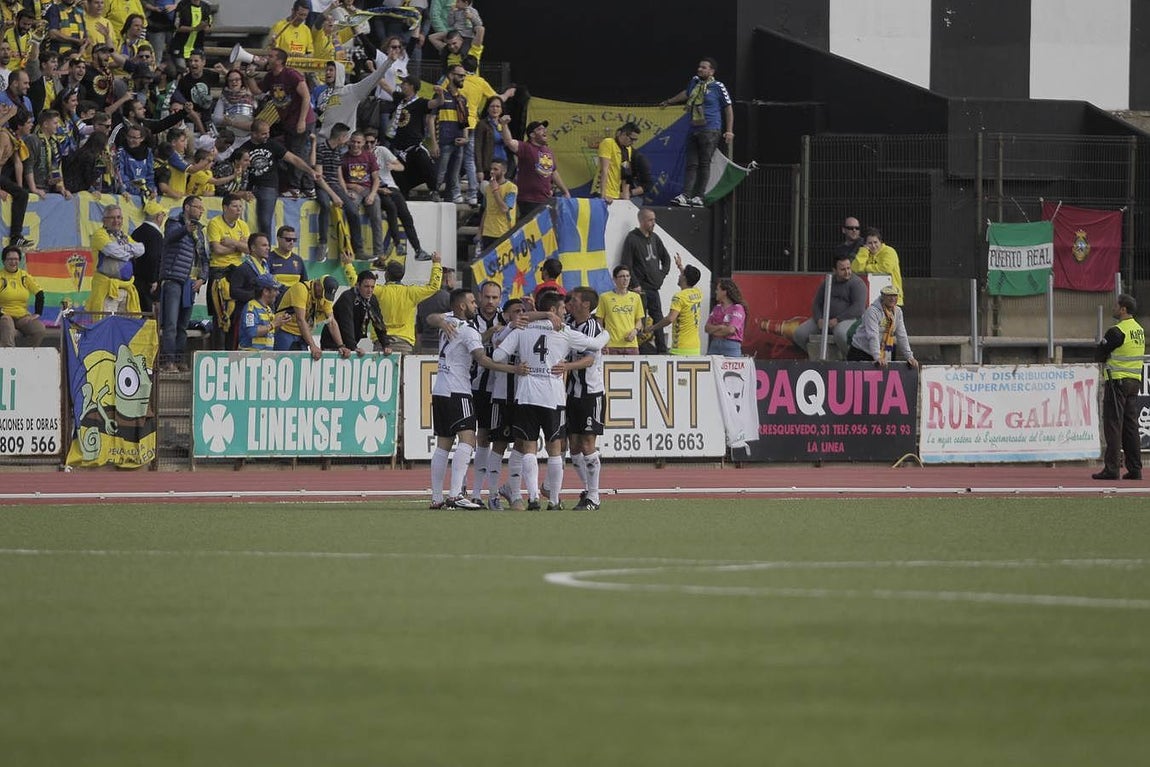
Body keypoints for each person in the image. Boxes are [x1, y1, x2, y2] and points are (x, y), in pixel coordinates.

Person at [492, 290, 601, 510]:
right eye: (561, 308)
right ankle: (553, 500)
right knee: (554, 448)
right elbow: (596, 344)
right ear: (552, 310)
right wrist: (607, 334)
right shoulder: (564, 331)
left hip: (526, 394)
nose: (565, 311)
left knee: (528, 446)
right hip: (553, 396)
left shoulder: (523, 328)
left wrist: (516, 364)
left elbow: (497, 356)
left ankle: (533, 498)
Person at [425, 287, 516, 510]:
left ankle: (437, 497)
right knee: (468, 440)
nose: (476, 305)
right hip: (458, 390)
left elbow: (430, 318)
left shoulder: (449, 321)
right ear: (462, 305)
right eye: (473, 302)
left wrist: (441, 321)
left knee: (443, 444)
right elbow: (482, 359)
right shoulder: (468, 329)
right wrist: (513, 369)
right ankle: (456, 494)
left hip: (441, 389)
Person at [662, 56, 733, 207]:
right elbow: (686, 94)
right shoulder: (694, 82)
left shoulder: (718, 86)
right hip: (694, 128)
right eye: (699, 67)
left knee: (704, 164)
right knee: (691, 163)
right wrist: (669, 101)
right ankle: (686, 195)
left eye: (704, 67)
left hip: (710, 129)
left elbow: (728, 107)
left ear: (712, 71)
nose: (700, 69)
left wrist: (729, 130)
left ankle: (699, 196)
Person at [233, 119, 318, 240]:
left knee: (265, 222)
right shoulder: (245, 147)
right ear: (254, 134)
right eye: (263, 133)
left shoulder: (272, 145)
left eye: (268, 132)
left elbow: (293, 159)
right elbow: (235, 166)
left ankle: (265, 248)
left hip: (268, 187)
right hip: (249, 186)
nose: (267, 135)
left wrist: (310, 171)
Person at [564, 287, 610, 511]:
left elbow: (589, 360)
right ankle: (589, 490)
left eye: (574, 300)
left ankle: (594, 496)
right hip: (572, 393)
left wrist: (565, 366)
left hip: (591, 394)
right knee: (573, 447)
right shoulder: (569, 322)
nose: (569, 303)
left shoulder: (592, 328)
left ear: (586, 305)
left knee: (587, 444)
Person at [1092, 294, 1145, 481]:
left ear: (1123, 309)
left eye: (1116, 306)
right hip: (1134, 381)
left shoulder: (1116, 331)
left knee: (1113, 424)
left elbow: (1099, 354)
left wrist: (1101, 348)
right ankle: (1135, 469)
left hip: (1117, 382)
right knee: (1131, 426)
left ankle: (1112, 468)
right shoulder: (1139, 330)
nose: (1114, 308)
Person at [365, 128, 432, 261]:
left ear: (376, 142)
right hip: (375, 188)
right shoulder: (361, 155)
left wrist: (393, 167)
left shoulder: (382, 151)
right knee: (391, 208)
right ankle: (397, 243)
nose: (369, 145)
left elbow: (401, 166)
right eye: (366, 142)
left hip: (390, 185)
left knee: (406, 216)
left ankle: (418, 249)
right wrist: (379, 190)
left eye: (372, 142)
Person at [158, 194, 208, 372]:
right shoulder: (174, 223)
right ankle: (167, 361)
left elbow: (204, 258)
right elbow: (169, 238)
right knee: (170, 324)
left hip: (191, 283)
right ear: (187, 207)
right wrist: (186, 229)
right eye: (198, 207)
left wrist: (203, 278)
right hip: (173, 279)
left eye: (202, 208)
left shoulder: (199, 232)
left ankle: (179, 359)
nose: (201, 211)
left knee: (182, 326)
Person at [464, 278, 502, 505]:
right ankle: (461, 487)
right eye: (486, 297)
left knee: (485, 437)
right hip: (468, 385)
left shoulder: (505, 318)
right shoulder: (469, 319)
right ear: (479, 297)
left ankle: (478, 492)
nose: (490, 301)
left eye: (494, 297)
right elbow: (472, 342)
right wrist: (492, 332)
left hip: (493, 388)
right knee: (465, 437)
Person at [792, 254, 868, 357]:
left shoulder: (857, 283)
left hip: (849, 319)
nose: (847, 272)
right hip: (825, 319)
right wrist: (819, 319)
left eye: (848, 268)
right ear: (834, 270)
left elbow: (858, 308)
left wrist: (837, 319)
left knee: (840, 334)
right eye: (843, 269)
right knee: (799, 334)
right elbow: (817, 303)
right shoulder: (827, 282)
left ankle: (849, 359)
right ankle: (816, 358)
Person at [619, 206, 671, 354]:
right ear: (641, 221)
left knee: (658, 317)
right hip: (639, 289)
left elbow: (666, 259)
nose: (653, 223)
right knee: (638, 319)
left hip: (654, 287)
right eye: (650, 220)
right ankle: (636, 348)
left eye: (654, 220)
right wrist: (635, 284)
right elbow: (627, 263)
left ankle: (662, 349)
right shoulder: (632, 238)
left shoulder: (655, 238)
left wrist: (661, 275)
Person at [498, 116, 569, 219]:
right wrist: (504, 125)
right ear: (532, 135)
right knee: (529, 227)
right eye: (540, 129)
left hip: (545, 199)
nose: (544, 131)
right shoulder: (526, 147)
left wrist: (565, 191)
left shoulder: (548, 151)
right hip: (528, 199)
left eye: (544, 129)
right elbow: (509, 142)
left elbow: (553, 172)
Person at [205, 192, 250, 348]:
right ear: (225, 207)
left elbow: (249, 249)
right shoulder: (215, 223)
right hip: (219, 271)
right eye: (235, 206)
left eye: (240, 207)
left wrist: (232, 243)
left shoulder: (243, 225)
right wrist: (238, 246)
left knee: (236, 314)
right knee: (220, 315)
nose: (239, 210)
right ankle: (217, 352)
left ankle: (232, 351)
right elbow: (217, 249)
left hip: (237, 272)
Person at [375, 253, 443, 354]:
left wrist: (350, 265)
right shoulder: (411, 292)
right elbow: (434, 287)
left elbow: (357, 283)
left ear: (386, 275)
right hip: (404, 342)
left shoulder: (378, 291)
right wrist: (436, 264)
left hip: (381, 342)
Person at [85, 204, 146, 313]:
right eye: (112, 218)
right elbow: (113, 251)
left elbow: (141, 249)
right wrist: (130, 252)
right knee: (107, 322)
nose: (116, 221)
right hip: (107, 289)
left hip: (125, 288)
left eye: (119, 217)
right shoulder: (99, 235)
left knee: (125, 323)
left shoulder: (124, 236)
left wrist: (124, 249)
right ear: (104, 220)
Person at [848, 285, 919, 369]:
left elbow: (902, 335)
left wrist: (909, 357)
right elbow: (873, 335)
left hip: (884, 352)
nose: (892, 298)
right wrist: (877, 357)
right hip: (861, 352)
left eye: (895, 295)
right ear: (882, 296)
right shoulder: (872, 311)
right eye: (889, 295)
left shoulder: (898, 311)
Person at [428, 62, 469, 204]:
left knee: (454, 175)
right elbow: (431, 119)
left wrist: (466, 138)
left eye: (464, 76)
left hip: (459, 143)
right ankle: (433, 194)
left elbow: (464, 121)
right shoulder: (440, 95)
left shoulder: (462, 98)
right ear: (451, 76)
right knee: (440, 173)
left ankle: (449, 198)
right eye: (460, 75)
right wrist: (433, 143)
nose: (463, 78)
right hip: (443, 141)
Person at [322, 269, 385, 357]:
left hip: (349, 345)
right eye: (366, 286)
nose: (370, 290)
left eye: (372, 287)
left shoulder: (372, 299)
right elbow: (346, 323)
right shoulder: (347, 297)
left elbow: (378, 322)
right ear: (358, 285)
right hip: (332, 343)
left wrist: (385, 344)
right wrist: (353, 347)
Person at [649, 255, 703, 356]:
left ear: (684, 277)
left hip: (681, 348)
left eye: (681, 274)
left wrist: (653, 327)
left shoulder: (679, 297)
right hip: (695, 348)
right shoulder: (698, 292)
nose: (679, 276)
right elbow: (690, 278)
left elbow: (670, 319)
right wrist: (680, 266)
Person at [276, 276, 339, 359]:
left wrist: (341, 345)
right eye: (323, 293)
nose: (322, 297)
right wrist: (313, 345)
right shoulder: (301, 288)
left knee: (301, 362)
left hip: (303, 335)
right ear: (318, 285)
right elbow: (300, 319)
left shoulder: (324, 298)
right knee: (281, 359)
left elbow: (331, 322)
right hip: (285, 331)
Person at [0, 245, 44, 347]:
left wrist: (37, 313)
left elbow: (39, 293)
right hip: (4, 316)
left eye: (16, 259)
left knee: (39, 329)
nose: (13, 262)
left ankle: (27, 354)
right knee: (7, 324)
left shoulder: (24, 276)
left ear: (19, 261)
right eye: (10, 259)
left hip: (22, 316)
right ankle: (8, 354)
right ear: (4, 261)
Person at [131, 199, 166, 314]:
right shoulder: (155, 235)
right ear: (158, 217)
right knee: (149, 315)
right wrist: (153, 280)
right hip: (148, 284)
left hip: (135, 279)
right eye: (163, 215)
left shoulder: (136, 231)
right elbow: (154, 258)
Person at [598, 264, 643, 355]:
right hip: (611, 344)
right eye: (622, 276)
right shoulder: (605, 297)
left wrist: (635, 331)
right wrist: (603, 340)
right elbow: (599, 321)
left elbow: (639, 320)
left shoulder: (636, 297)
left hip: (631, 344)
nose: (625, 279)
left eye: (627, 276)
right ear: (614, 279)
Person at [852, 227, 904, 304]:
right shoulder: (866, 253)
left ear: (880, 242)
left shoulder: (889, 251)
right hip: (872, 297)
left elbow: (885, 268)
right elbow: (855, 269)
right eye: (870, 243)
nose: (873, 246)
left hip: (892, 297)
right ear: (865, 244)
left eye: (875, 242)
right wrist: (863, 251)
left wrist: (866, 268)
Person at [237, 273, 285, 351]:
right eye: (275, 290)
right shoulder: (251, 308)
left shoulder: (268, 309)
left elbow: (269, 332)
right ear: (265, 291)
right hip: (250, 355)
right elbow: (252, 331)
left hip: (265, 355)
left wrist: (280, 323)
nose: (278, 293)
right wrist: (274, 324)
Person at [594, 122, 640, 203]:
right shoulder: (608, 143)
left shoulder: (628, 149)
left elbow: (626, 174)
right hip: (602, 191)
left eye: (635, 140)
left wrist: (626, 199)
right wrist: (603, 195)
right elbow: (604, 169)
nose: (633, 142)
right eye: (632, 139)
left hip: (616, 193)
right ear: (624, 134)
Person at [477, 158, 516, 250]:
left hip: (503, 231)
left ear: (504, 171)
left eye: (495, 169)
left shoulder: (511, 188)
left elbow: (504, 208)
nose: (492, 172)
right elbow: (486, 210)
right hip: (488, 232)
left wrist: (495, 191)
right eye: (491, 169)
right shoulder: (488, 188)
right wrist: (480, 232)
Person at [415, 266, 454, 353]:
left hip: (425, 345)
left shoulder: (422, 298)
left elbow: (419, 330)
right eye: (453, 279)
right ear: (447, 280)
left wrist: (418, 350)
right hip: (444, 346)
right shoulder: (450, 299)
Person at [705, 278, 746, 357]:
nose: (716, 292)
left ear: (724, 292)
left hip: (731, 346)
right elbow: (707, 328)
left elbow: (731, 330)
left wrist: (714, 331)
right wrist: (720, 327)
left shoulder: (737, 308)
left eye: (718, 289)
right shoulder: (717, 308)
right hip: (715, 344)